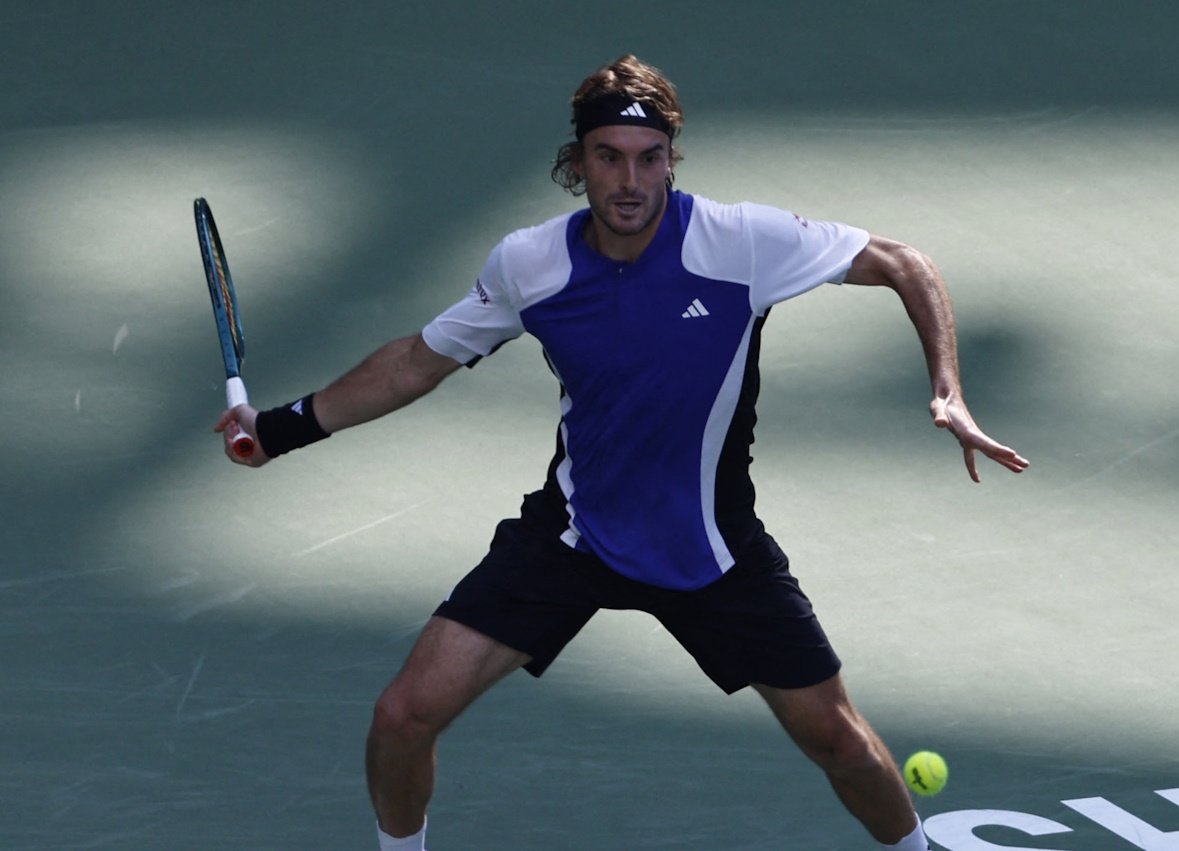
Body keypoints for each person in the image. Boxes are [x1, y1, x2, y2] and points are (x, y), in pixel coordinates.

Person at [216, 54, 1029, 851]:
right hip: (573, 537)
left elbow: (901, 261)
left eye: (649, 159)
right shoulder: (530, 264)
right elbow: (411, 364)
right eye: (609, 158)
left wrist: (948, 387)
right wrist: (278, 428)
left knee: (842, 745)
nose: (631, 181)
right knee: (401, 716)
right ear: (578, 164)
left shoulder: (737, 241)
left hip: (710, 546)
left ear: (672, 160)